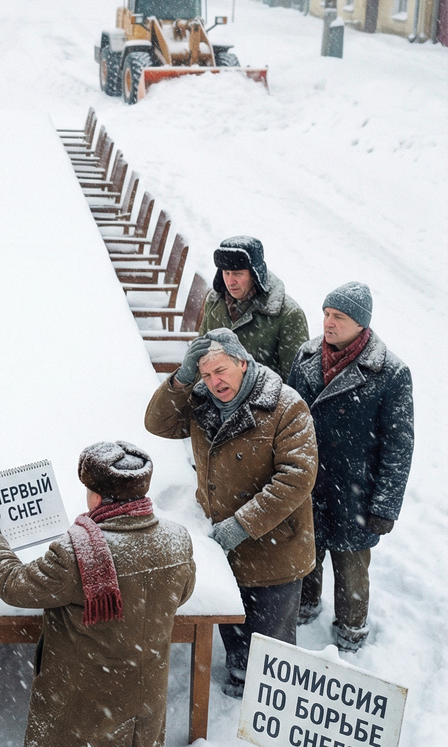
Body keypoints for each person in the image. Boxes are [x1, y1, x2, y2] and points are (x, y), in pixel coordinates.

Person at [0, 441, 195, 747]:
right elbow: (180, 594)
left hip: (87, 701)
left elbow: (15, 584)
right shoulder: (176, 542)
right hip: (144, 694)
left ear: (96, 494)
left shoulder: (77, 554)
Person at [145, 328, 317, 698]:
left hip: (275, 547)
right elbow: (157, 423)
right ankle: (239, 681)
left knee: (273, 644)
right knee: (236, 628)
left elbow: (297, 477)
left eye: (221, 370)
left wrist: (242, 525)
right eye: (206, 375)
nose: (215, 381)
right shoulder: (201, 400)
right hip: (225, 544)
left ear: (243, 361)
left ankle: (273, 708)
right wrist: (182, 378)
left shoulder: (286, 406)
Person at [288, 283, 414, 651]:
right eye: (326, 314)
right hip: (308, 483)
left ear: (361, 324)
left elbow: (399, 446)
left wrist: (385, 505)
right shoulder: (307, 355)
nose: (328, 323)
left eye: (338, 317)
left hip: (356, 493)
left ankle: (351, 633)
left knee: (351, 570)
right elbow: (288, 416)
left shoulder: (391, 373)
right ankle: (305, 608)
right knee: (304, 555)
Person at [199, 236, 308, 379]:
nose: (230, 281)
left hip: (265, 399)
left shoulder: (289, 314)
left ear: (255, 274)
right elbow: (200, 358)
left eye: (238, 274)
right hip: (216, 397)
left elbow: (295, 381)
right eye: (226, 273)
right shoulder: (214, 302)